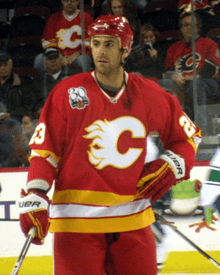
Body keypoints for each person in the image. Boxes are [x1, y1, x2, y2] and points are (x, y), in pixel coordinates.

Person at [18, 15, 201, 275]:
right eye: (95, 43)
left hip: (134, 221)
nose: (100, 51)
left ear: (126, 49)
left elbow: (188, 137)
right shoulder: (68, 92)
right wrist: (36, 193)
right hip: (76, 225)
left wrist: (173, 164)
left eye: (109, 44)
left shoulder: (149, 93)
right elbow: (45, 152)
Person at [158, 12, 220, 133]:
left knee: (196, 84)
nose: (188, 28)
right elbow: (168, 70)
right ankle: (171, 128)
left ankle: (200, 129)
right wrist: (174, 76)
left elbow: (213, 68)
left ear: (198, 27)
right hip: (182, 82)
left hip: (208, 82)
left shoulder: (208, 43)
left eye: (191, 25)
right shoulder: (174, 47)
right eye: (184, 25)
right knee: (162, 83)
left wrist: (192, 77)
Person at [34, 0, 94, 74]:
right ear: (62, 1)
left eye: (72, 1)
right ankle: (48, 84)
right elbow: (48, 40)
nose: (69, 3)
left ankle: (83, 84)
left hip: (78, 55)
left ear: (78, 1)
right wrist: (58, 56)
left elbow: (89, 41)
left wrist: (77, 54)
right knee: (39, 60)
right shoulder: (53, 18)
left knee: (83, 60)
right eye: (66, 1)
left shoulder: (86, 17)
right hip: (56, 55)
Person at [33, 47, 79, 117]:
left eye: (56, 57)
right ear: (44, 62)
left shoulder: (73, 75)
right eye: (50, 58)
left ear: (61, 60)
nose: (53, 61)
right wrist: (38, 109)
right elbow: (34, 101)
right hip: (48, 115)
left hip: (71, 113)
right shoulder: (38, 80)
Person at [0, 50, 35, 124]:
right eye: (0, 65)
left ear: (11, 65)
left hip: (15, 118)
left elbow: (29, 105)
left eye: (5, 64)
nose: (2, 68)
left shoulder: (23, 82)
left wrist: (11, 114)